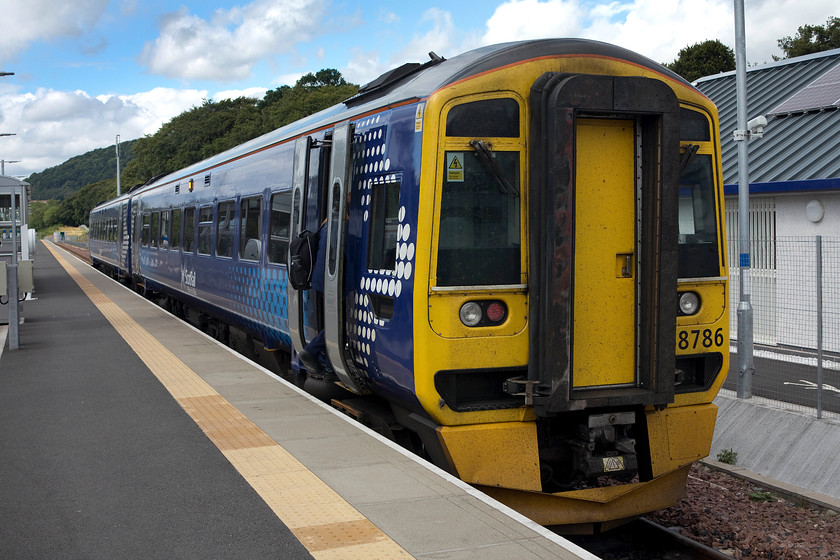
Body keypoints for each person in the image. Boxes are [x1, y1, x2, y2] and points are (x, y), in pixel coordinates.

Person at [296, 219, 329, 374]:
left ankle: (329, 364)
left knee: (333, 324)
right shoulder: (338, 227)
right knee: (338, 325)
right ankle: (311, 351)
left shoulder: (325, 226)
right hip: (330, 283)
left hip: (321, 281)